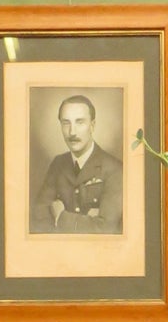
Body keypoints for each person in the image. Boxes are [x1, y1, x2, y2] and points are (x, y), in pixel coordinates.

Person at [30, 94, 123, 234]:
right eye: (66, 123)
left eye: (80, 122)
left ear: (92, 126)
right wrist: (87, 222)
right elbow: (38, 218)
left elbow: (106, 229)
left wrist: (60, 217)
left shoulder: (115, 169)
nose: (72, 132)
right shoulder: (58, 164)